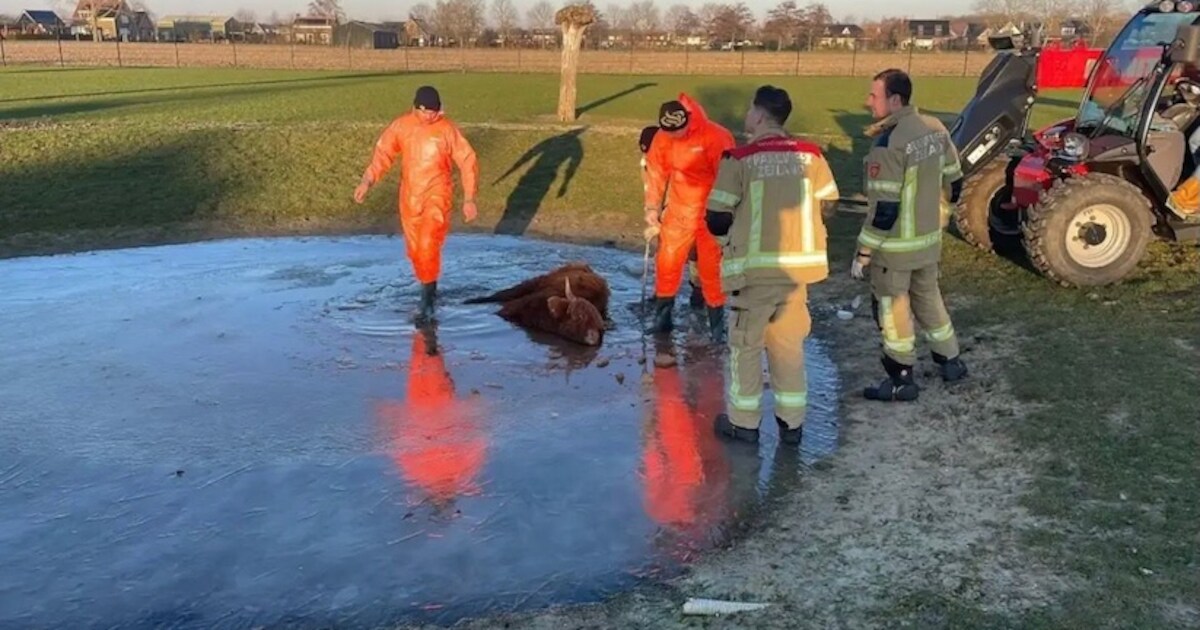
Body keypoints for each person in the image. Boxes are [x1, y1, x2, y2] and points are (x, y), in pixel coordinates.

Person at [705, 85, 841, 445]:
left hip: (753, 276)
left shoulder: (739, 159)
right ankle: (792, 424)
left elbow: (716, 217)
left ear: (760, 115)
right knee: (789, 347)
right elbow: (829, 205)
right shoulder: (811, 156)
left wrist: (731, 241)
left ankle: (744, 423)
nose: (747, 115)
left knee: (746, 347)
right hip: (797, 274)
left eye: (750, 110)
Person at [853, 69, 968, 402]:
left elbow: (884, 210)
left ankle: (901, 378)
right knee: (929, 298)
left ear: (894, 100)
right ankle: (950, 360)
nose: (868, 102)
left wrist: (863, 253)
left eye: (874, 96)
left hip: (895, 250)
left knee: (893, 310)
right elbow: (955, 181)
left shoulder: (888, 143)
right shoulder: (935, 128)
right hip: (928, 242)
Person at [354, 85, 480, 323]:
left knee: (427, 244)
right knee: (415, 252)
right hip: (410, 197)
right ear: (416, 108)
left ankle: (427, 302)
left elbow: (467, 161)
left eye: (433, 112)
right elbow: (383, 154)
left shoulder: (447, 130)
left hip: (437, 195)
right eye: (425, 112)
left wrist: (469, 198)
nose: (429, 116)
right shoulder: (402, 126)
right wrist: (367, 181)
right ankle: (429, 286)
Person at [643, 94, 737, 339]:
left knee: (710, 269)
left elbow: (729, 177)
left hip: (710, 213)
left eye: (679, 131)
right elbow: (656, 172)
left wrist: (725, 213)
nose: (675, 137)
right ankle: (663, 321)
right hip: (678, 212)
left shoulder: (715, 136)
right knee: (666, 263)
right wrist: (652, 207)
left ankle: (717, 328)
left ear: (688, 121)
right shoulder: (662, 138)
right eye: (669, 133)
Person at [639, 125, 705, 311]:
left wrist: (663, 224)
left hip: (690, 213)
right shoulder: (647, 163)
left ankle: (699, 292)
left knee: (694, 253)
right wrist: (652, 214)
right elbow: (651, 189)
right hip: (670, 214)